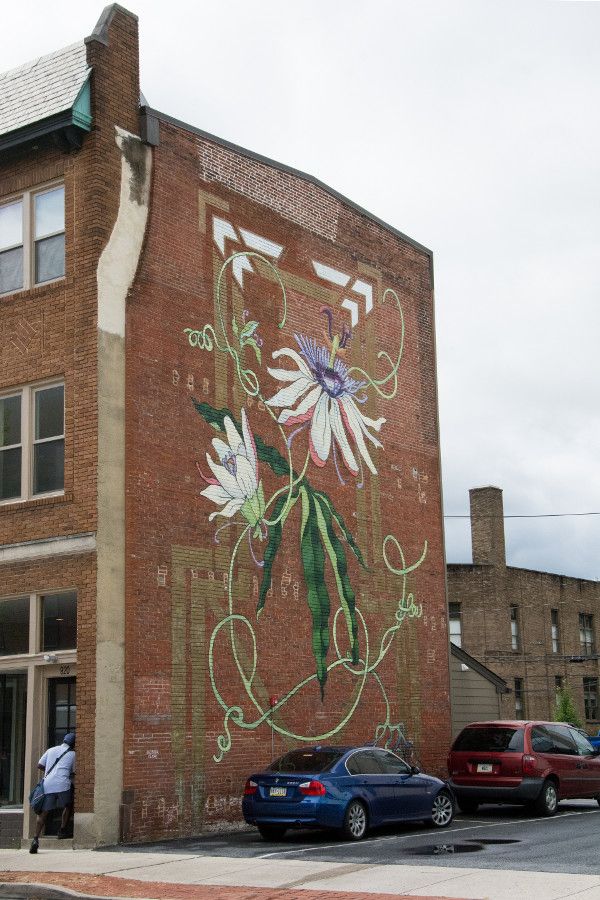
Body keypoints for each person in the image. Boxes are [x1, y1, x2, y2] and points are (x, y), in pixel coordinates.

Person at [29, 732, 76, 854]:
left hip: (48, 784)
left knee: (43, 812)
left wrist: (50, 772)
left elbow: (39, 764)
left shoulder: (51, 750)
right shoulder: (73, 754)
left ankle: (35, 839)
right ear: (73, 744)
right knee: (68, 805)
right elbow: (74, 771)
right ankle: (62, 830)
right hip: (63, 784)